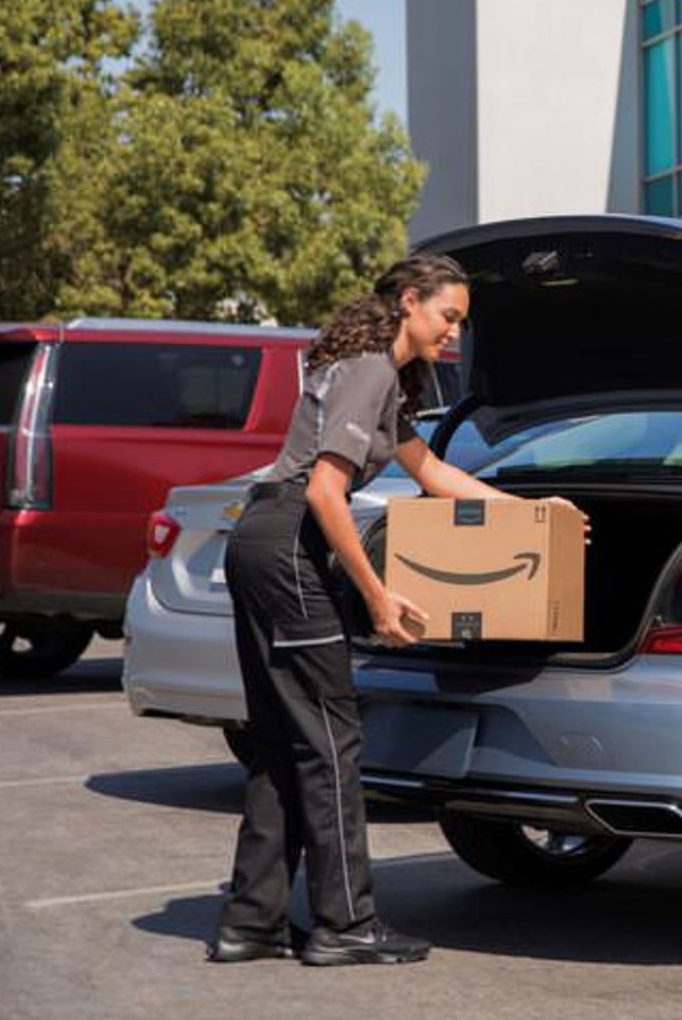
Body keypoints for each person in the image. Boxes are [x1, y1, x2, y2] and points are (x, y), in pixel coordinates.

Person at [206, 252, 585, 966]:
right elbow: (324, 491)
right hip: (289, 543)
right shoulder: (371, 367)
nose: (455, 336)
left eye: (462, 324)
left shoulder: (378, 375)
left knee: (287, 743)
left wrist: (535, 514)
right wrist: (378, 595)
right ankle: (344, 923)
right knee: (330, 740)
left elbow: (431, 471)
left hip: (263, 542)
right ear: (411, 301)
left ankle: (249, 922)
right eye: (450, 317)